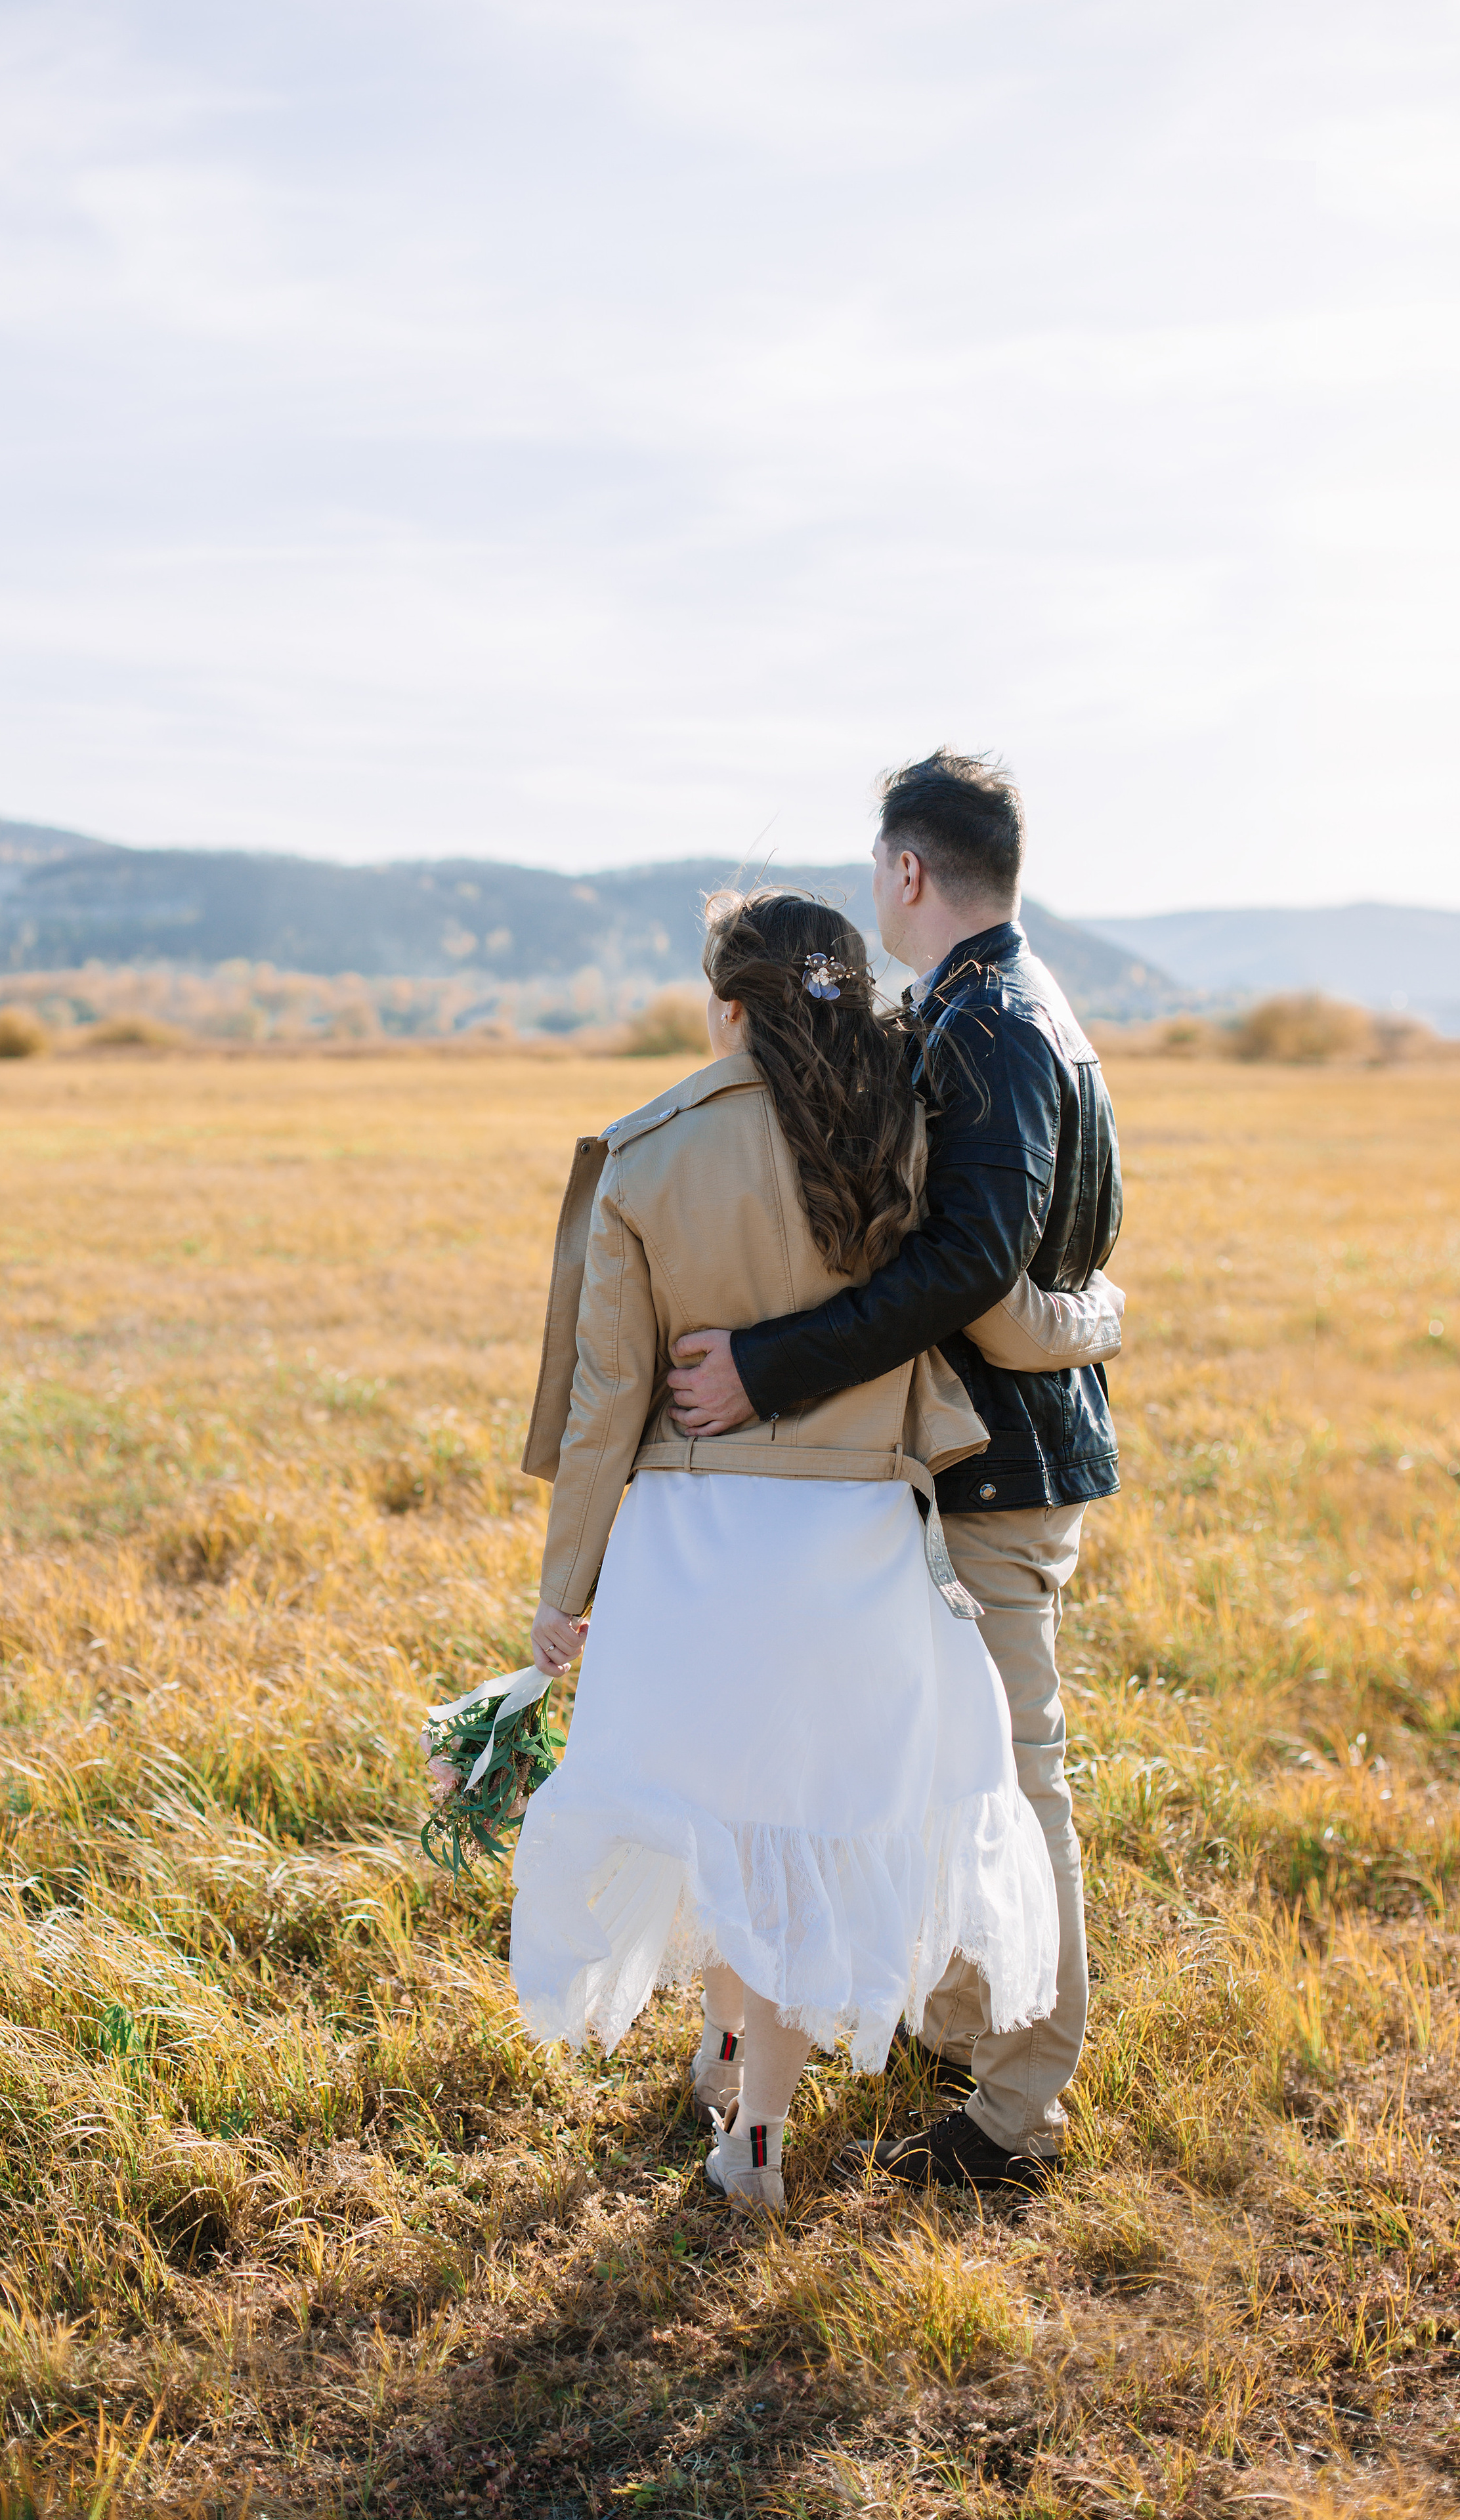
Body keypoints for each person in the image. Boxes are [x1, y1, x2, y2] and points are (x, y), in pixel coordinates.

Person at [505, 887, 1115, 2213]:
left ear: (726, 1007)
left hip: (689, 1541)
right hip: (852, 1543)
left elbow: (604, 1401)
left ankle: (722, 2064)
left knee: (721, 1814)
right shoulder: (897, 1138)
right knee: (796, 1827)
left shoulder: (639, 1151)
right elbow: (986, 1305)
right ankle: (757, 2131)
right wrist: (1095, 1316)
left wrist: (564, 1593)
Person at [667, 752, 1123, 2193]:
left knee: (1012, 1774)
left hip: (997, 1464)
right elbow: (1060, 1252)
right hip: (984, 1452)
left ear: (907, 873)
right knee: (944, 1763)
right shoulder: (1026, 1005)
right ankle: (955, 2019)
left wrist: (765, 1362)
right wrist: (1090, 1314)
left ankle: (1015, 2112)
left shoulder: (984, 1024)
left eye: (879, 871)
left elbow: (975, 1268)